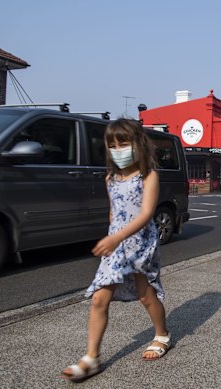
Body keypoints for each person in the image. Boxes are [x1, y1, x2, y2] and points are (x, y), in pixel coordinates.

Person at [62, 119, 169, 381]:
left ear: (138, 144)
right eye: (112, 145)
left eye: (124, 143)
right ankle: (91, 358)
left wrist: (116, 237)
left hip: (141, 244)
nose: (118, 149)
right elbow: (114, 211)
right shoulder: (110, 177)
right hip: (117, 247)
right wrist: (113, 238)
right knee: (99, 298)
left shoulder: (149, 175)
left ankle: (162, 334)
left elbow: (146, 214)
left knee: (146, 296)